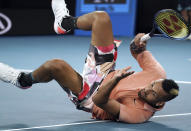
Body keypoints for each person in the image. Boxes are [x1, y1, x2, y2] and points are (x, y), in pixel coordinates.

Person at [0, 0, 179, 123]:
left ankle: (22, 79)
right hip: (106, 72)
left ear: (160, 103)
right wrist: (138, 43)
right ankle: (65, 23)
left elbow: (101, 101)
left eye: (152, 94)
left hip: (92, 98)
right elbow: (136, 50)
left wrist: (116, 81)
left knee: (55, 66)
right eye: (151, 85)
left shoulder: (138, 115)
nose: (146, 89)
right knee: (101, 18)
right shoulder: (157, 73)